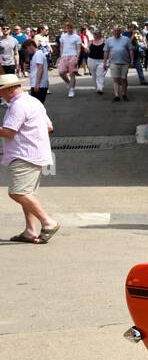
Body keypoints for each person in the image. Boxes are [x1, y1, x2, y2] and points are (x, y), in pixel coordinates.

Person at [0, 73, 58, 244]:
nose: (0, 95)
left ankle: (48, 222)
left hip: (23, 154)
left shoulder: (18, 105)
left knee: (18, 192)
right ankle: (30, 231)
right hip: (35, 153)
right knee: (27, 193)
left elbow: (9, 132)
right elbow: (49, 127)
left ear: (10, 90)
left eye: (1, 91)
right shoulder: (33, 101)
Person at [104, 26, 133, 102]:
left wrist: (132, 60)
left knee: (123, 79)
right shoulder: (109, 40)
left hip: (125, 62)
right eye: (115, 31)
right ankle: (116, 95)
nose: (116, 32)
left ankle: (124, 94)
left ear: (120, 31)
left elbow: (130, 50)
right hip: (113, 62)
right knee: (115, 79)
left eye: (118, 31)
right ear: (112, 32)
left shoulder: (126, 39)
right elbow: (106, 51)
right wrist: (105, 62)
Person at [56, 23, 81, 97]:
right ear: (66, 28)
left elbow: (79, 49)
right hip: (64, 56)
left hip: (73, 55)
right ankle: (69, 83)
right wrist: (60, 56)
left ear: (73, 28)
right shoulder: (63, 36)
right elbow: (61, 47)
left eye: (70, 28)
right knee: (61, 72)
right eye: (67, 28)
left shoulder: (77, 37)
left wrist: (77, 58)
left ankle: (71, 90)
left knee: (72, 74)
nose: (69, 29)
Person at [23, 39, 48, 104]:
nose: (27, 51)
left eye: (26, 48)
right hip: (38, 84)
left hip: (39, 85)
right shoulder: (36, 55)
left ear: (30, 45)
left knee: (37, 106)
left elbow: (40, 69)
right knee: (37, 106)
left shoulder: (38, 54)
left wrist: (37, 84)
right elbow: (36, 69)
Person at [85, 29, 107, 95]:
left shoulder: (104, 41)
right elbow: (87, 48)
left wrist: (107, 60)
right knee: (94, 75)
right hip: (91, 60)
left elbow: (108, 50)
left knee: (100, 74)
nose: (94, 35)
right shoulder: (91, 41)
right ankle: (97, 87)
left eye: (96, 33)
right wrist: (87, 49)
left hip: (101, 60)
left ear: (100, 34)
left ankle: (100, 88)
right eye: (94, 33)